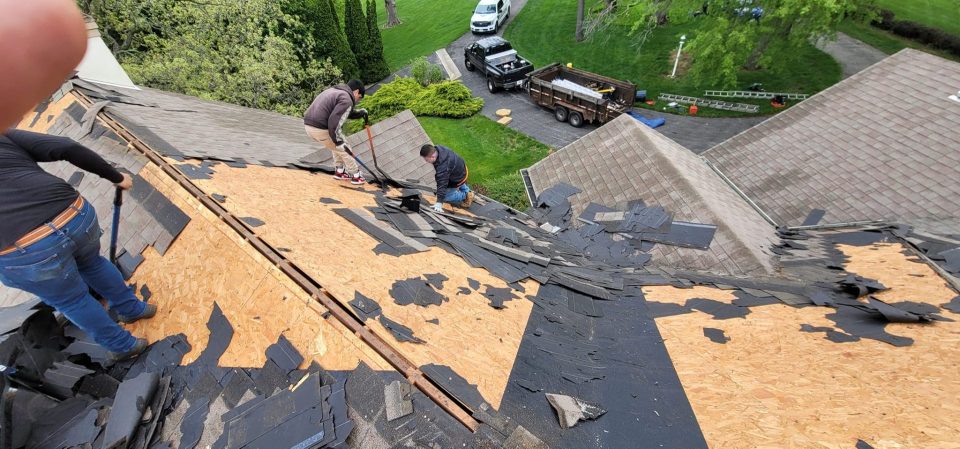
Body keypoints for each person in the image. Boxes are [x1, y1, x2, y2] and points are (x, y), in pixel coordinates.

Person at [0, 130, 156, 360]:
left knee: (72, 300)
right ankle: (135, 309)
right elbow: (66, 145)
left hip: (26, 248)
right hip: (75, 215)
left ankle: (123, 345)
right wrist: (116, 177)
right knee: (93, 263)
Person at [304, 79, 370, 185]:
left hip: (309, 127)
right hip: (320, 128)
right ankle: (356, 176)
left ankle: (339, 171)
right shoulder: (347, 99)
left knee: (335, 144)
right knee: (344, 147)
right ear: (356, 92)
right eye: (360, 97)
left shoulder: (335, 91)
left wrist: (361, 113)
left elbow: (343, 112)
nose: (358, 101)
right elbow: (333, 121)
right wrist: (339, 141)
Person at [420, 144, 474, 212]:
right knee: (446, 179)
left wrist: (439, 202)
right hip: (461, 168)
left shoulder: (443, 167)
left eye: (426, 160)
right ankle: (466, 189)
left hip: (459, 178)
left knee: (445, 197)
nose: (426, 161)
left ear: (432, 156)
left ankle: (466, 195)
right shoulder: (438, 148)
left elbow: (442, 183)